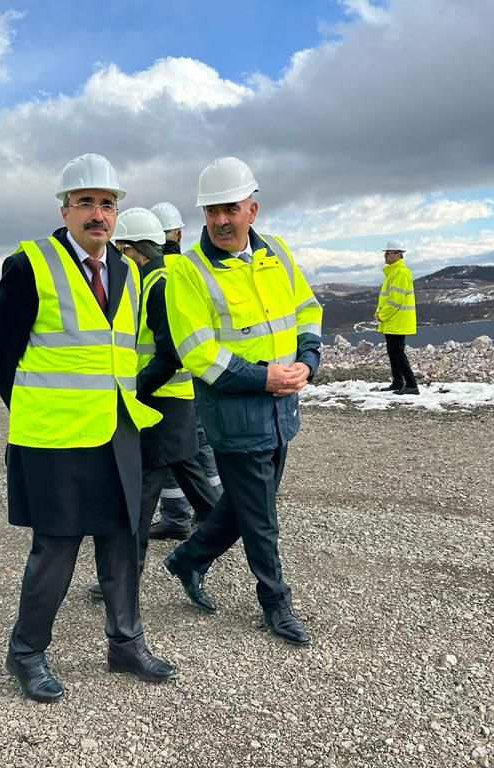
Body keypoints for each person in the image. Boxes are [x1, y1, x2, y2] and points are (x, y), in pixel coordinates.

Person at [0, 153, 176, 703]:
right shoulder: (29, 265)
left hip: (116, 428)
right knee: (57, 548)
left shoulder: (127, 271)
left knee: (123, 539)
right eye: (86, 203)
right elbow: (3, 355)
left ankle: (126, 644)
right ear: (65, 210)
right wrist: (35, 409)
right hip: (54, 435)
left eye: (107, 204)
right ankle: (26, 652)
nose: (98, 214)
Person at [161, 157, 323, 646]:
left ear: (252, 209)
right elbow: (197, 353)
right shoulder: (188, 271)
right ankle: (275, 601)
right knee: (262, 518)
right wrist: (263, 378)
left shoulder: (275, 252)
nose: (220, 220)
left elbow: (306, 309)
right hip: (234, 416)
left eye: (230, 208)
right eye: (211, 211)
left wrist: (307, 360)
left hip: (280, 410)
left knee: (247, 504)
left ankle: (187, 560)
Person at [86, 207, 220, 601]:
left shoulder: (159, 285)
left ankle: (124, 581)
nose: (117, 256)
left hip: (161, 405)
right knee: (201, 493)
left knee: (141, 498)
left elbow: (170, 354)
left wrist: (137, 390)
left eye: (120, 249)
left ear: (134, 249)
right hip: (171, 405)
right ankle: (212, 545)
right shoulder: (151, 280)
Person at [148, 200, 223, 541]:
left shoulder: (149, 274)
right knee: (200, 447)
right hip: (200, 375)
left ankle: (178, 516)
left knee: (173, 453)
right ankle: (217, 511)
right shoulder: (194, 267)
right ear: (178, 234)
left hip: (167, 383)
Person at [374, 241, 419, 395]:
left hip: (398, 320)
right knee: (393, 352)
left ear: (398, 254)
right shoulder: (392, 272)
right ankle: (398, 382)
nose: (385, 256)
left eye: (388, 253)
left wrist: (382, 315)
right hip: (393, 320)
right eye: (385, 253)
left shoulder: (401, 273)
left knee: (397, 352)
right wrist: (379, 312)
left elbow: (395, 300)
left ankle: (411, 385)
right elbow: (386, 298)